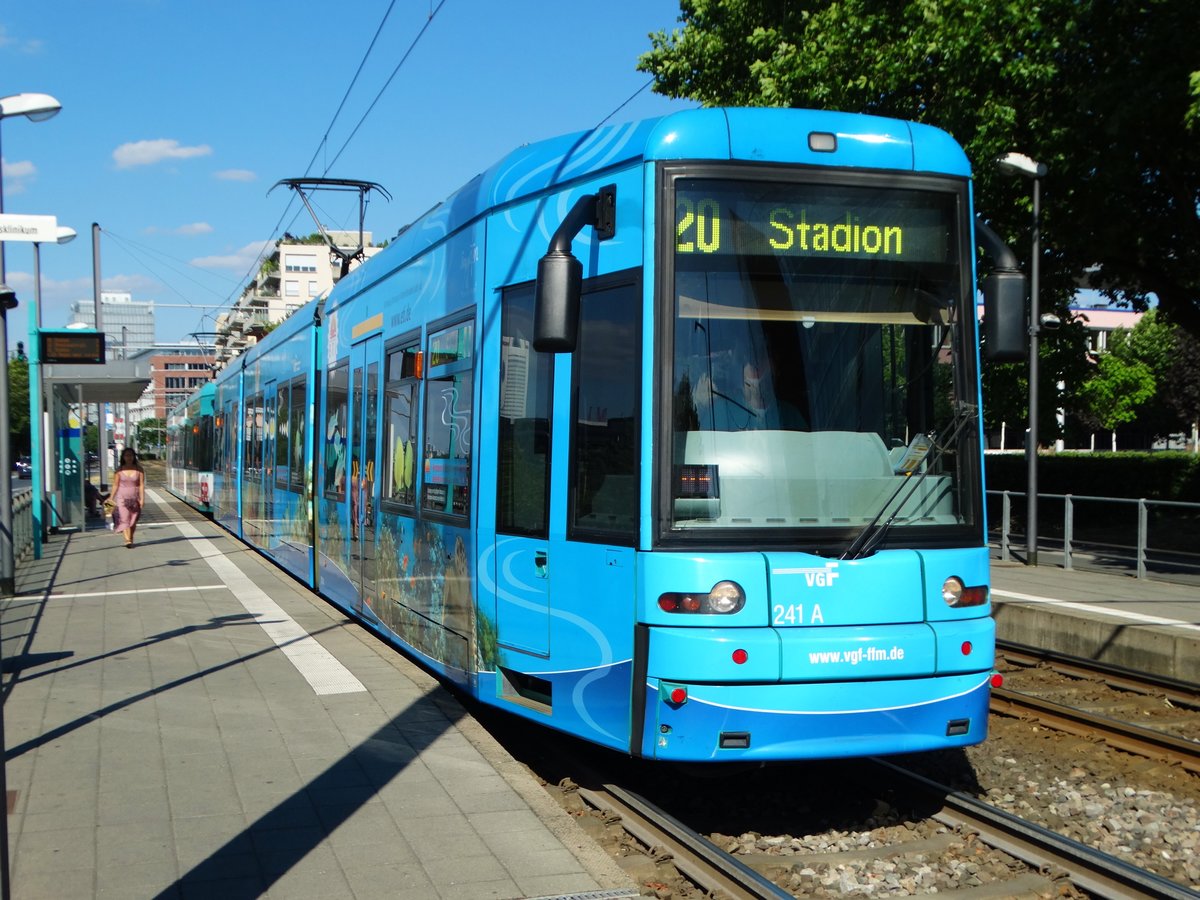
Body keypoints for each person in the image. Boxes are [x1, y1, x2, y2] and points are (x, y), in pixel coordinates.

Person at [112, 447, 146, 548]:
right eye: (126, 455)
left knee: (133, 520)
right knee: (124, 518)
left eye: (131, 455)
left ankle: (130, 537)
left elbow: (141, 485)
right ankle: (127, 540)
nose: (129, 457)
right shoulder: (119, 470)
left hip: (134, 498)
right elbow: (115, 484)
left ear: (134, 456)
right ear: (123, 457)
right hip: (122, 497)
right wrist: (111, 497)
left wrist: (142, 499)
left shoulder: (139, 469)